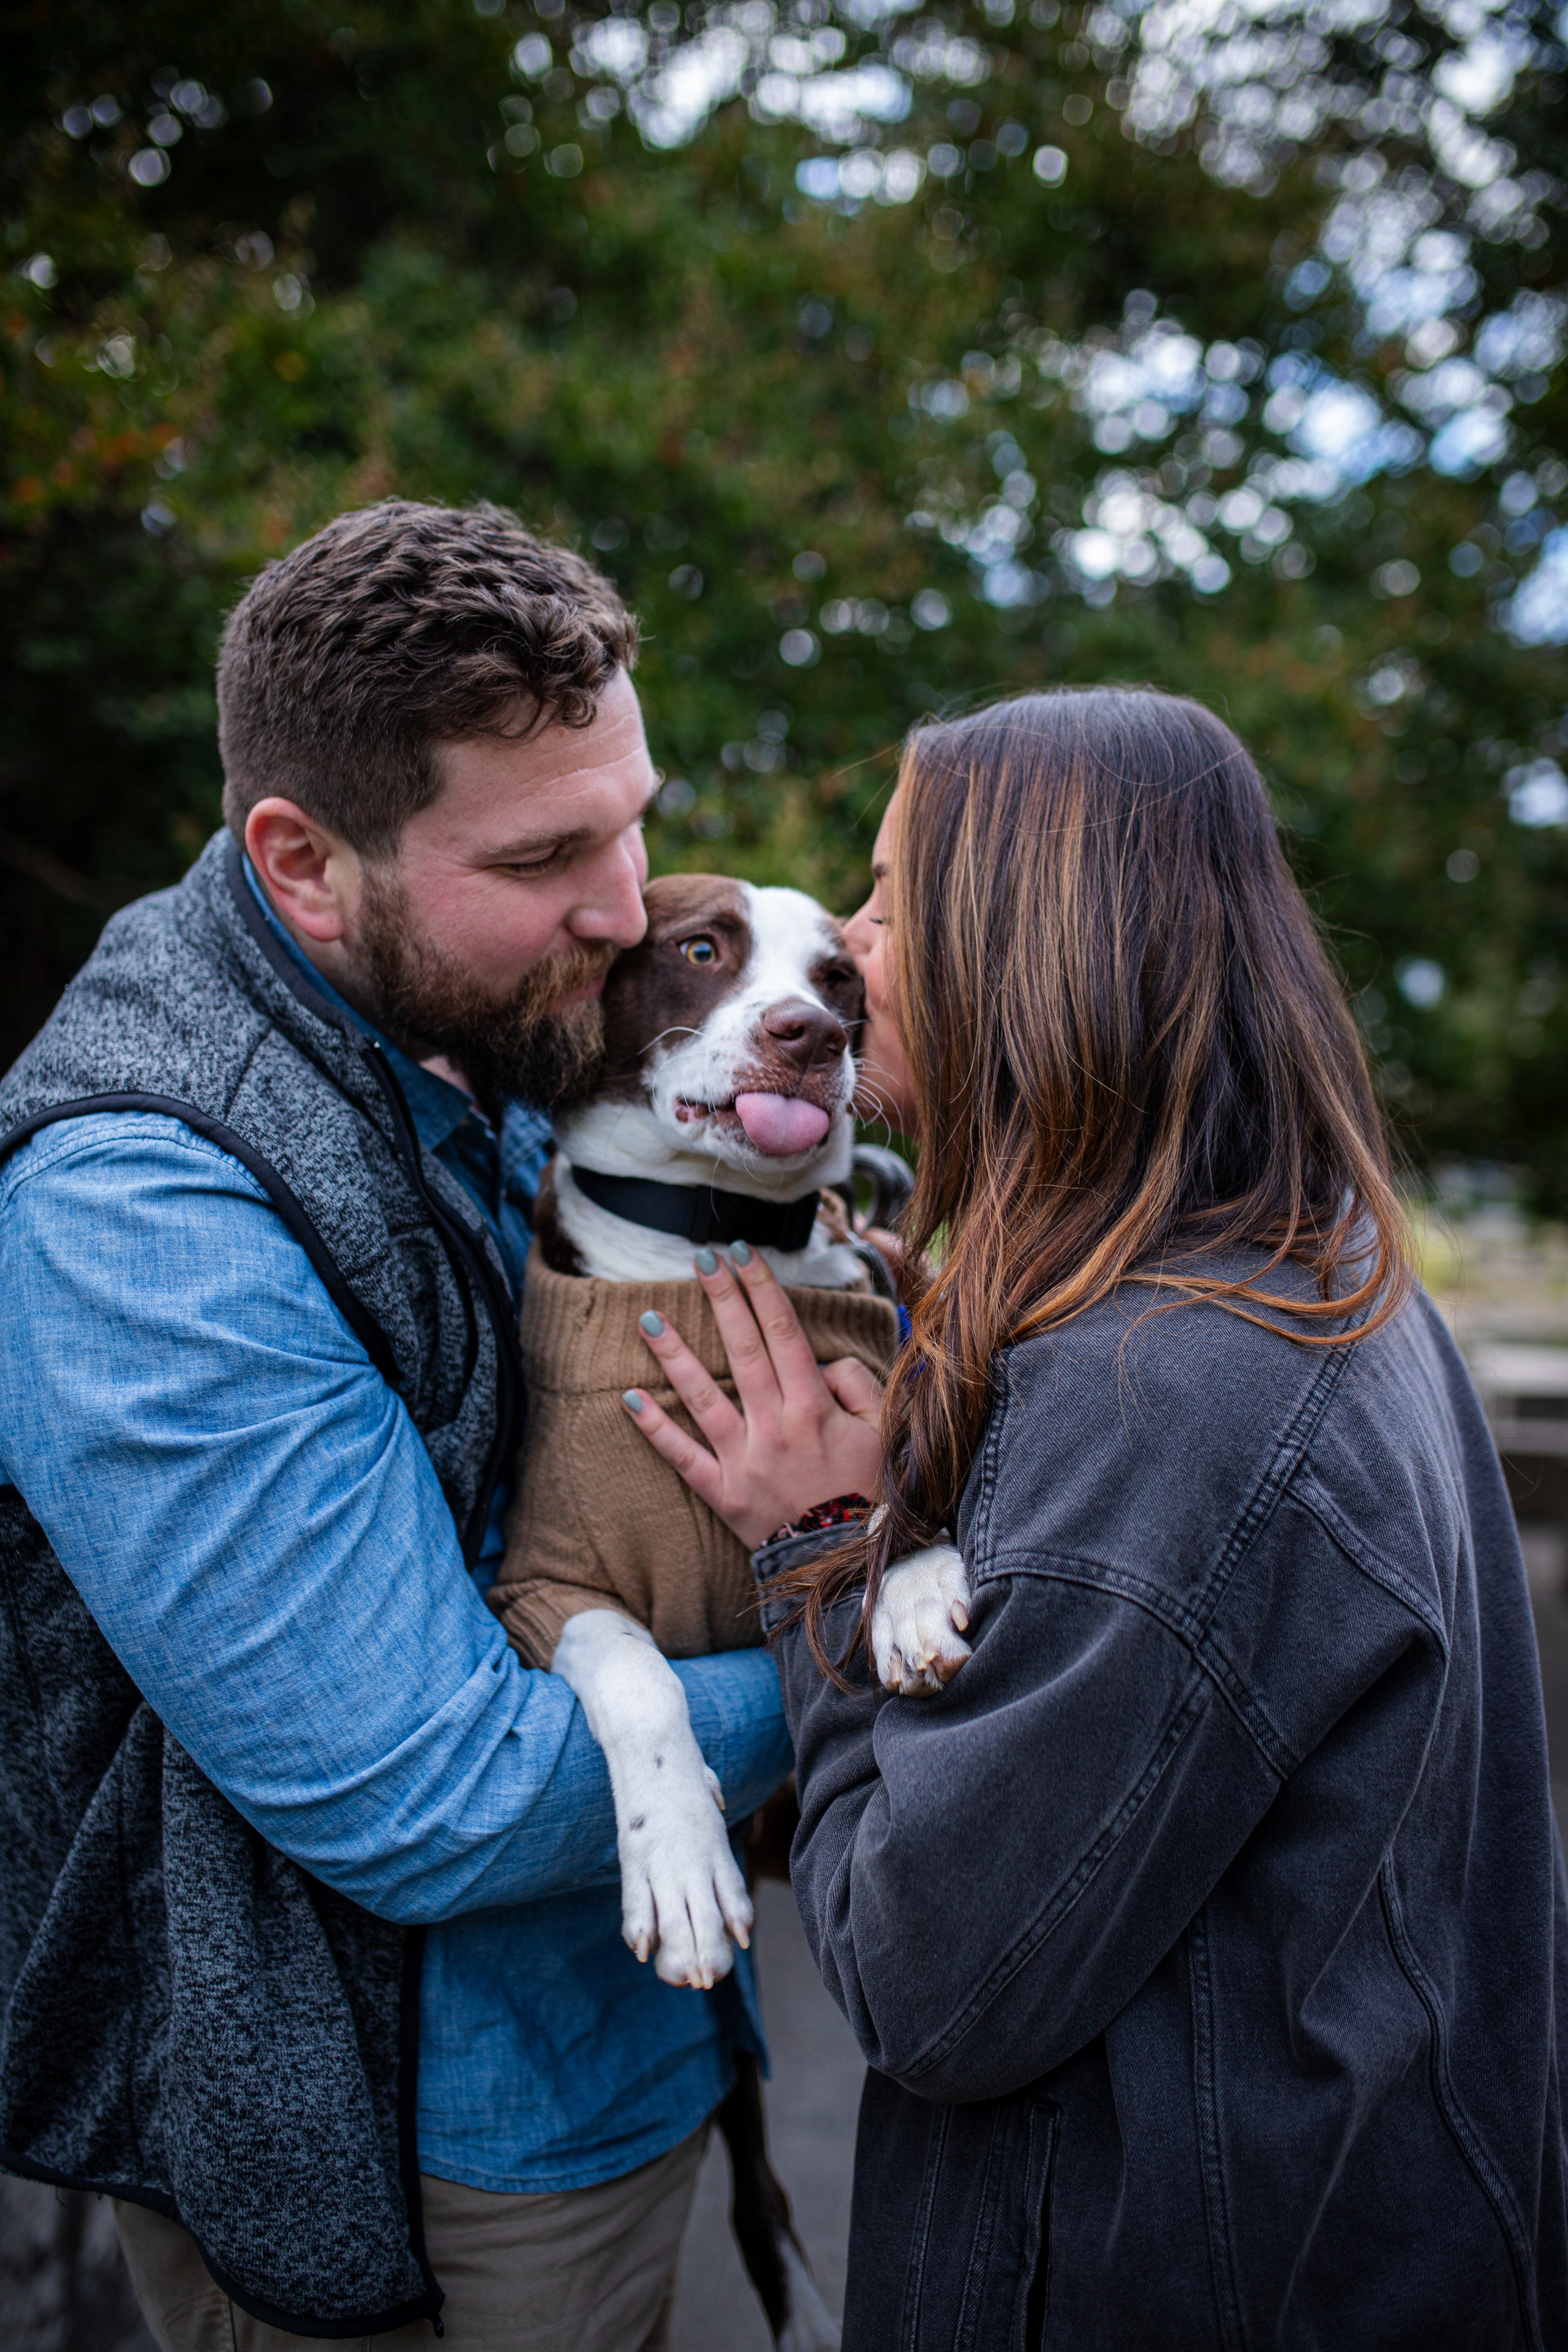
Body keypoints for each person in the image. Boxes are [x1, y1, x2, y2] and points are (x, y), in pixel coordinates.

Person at [620, 687, 1568, 2348]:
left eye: (895, 897)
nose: (845, 944)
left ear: (1032, 944)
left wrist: (821, 1554)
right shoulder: (1309, 1266)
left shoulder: (1159, 1400)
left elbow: (933, 1986)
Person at [0, 500, 791, 2351]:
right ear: (301, 860)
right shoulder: (145, 1214)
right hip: (424, 2149)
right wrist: (852, 1663)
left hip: (638, 2028)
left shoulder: (472, 1011)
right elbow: (425, 1797)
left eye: (634, 816)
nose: (626, 905)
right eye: (544, 855)